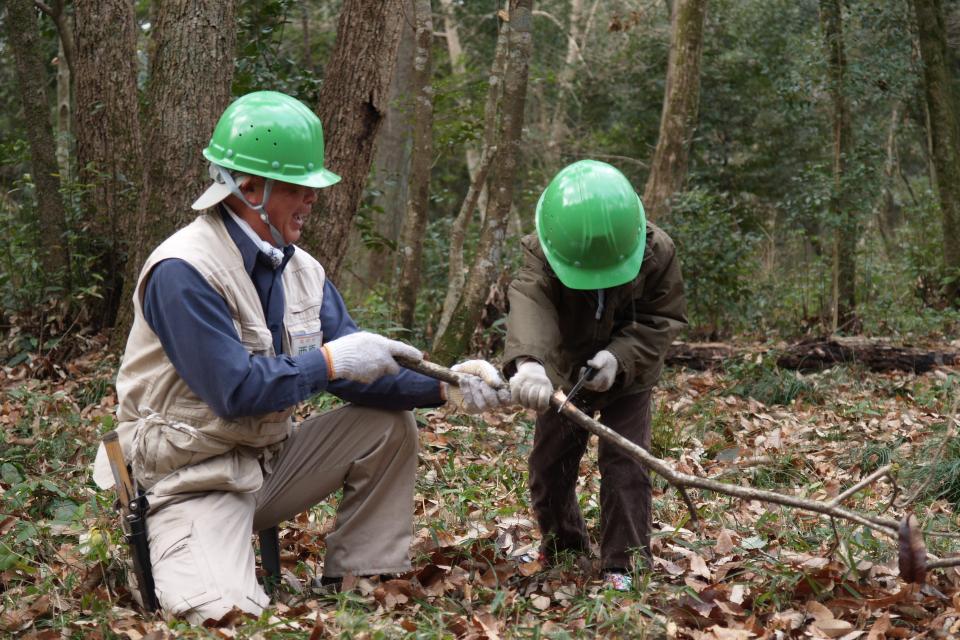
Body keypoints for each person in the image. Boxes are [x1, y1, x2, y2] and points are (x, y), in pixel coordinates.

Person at [92, 91, 506, 623]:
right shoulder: (183, 271)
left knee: (385, 427)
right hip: (188, 481)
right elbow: (235, 391)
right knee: (227, 621)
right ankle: (186, 553)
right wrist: (330, 362)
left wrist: (448, 386)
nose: (312, 199)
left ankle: (360, 576)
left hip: (266, 465)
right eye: (296, 187)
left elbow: (358, 376)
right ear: (248, 188)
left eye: (312, 187)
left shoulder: (301, 269)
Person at [502, 159, 687, 591]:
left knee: (626, 464)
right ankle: (563, 546)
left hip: (630, 374)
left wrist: (618, 358)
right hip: (565, 370)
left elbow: (661, 318)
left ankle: (625, 564)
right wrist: (529, 364)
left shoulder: (657, 251)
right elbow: (531, 301)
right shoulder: (544, 247)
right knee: (549, 465)